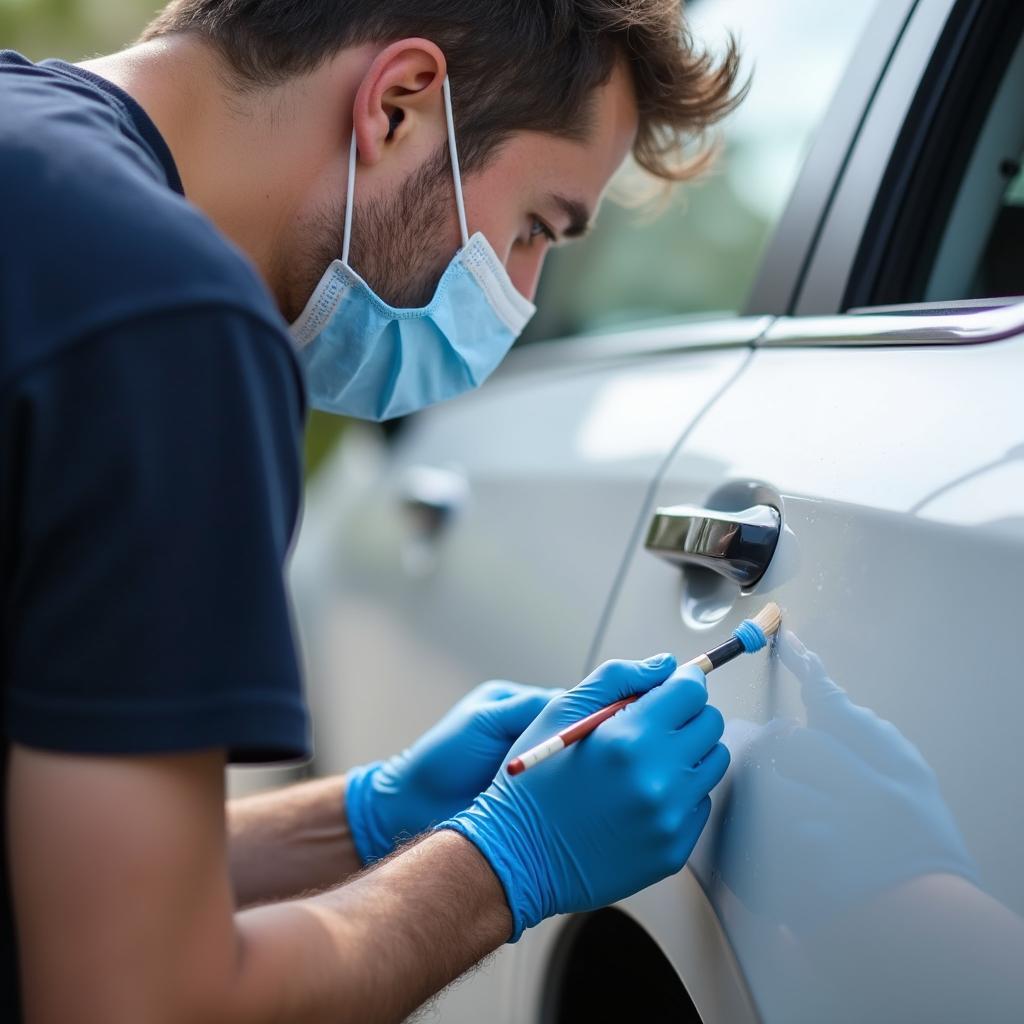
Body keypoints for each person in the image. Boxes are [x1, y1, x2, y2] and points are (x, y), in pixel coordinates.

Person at [0, 2, 743, 1021]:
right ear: (399, 103)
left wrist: (365, 816)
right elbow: (139, 1002)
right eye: (535, 227)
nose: (521, 296)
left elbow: (44, 857)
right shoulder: (171, 325)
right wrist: (502, 861)